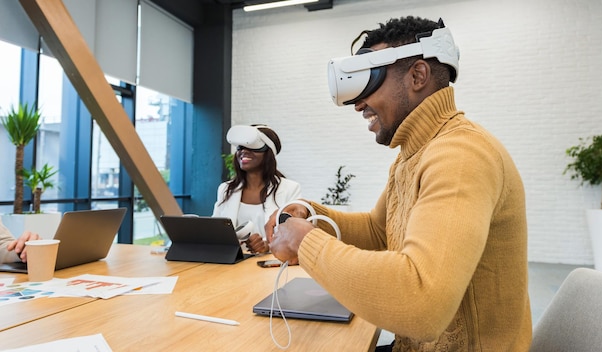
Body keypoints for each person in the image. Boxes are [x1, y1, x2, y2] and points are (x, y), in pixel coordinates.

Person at [268, 16, 532, 351]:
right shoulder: (415, 154)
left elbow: (421, 303)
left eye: (369, 81)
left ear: (418, 76)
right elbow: (380, 232)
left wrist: (306, 244)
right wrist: (310, 214)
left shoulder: (461, 155)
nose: (358, 103)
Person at [213, 124, 301, 254]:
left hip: (270, 265)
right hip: (232, 263)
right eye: (240, 147)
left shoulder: (290, 189)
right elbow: (215, 231)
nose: (243, 151)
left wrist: (268, 245)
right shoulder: (225, 189)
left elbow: (295, 235)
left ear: (268, 153)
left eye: (252, 147)